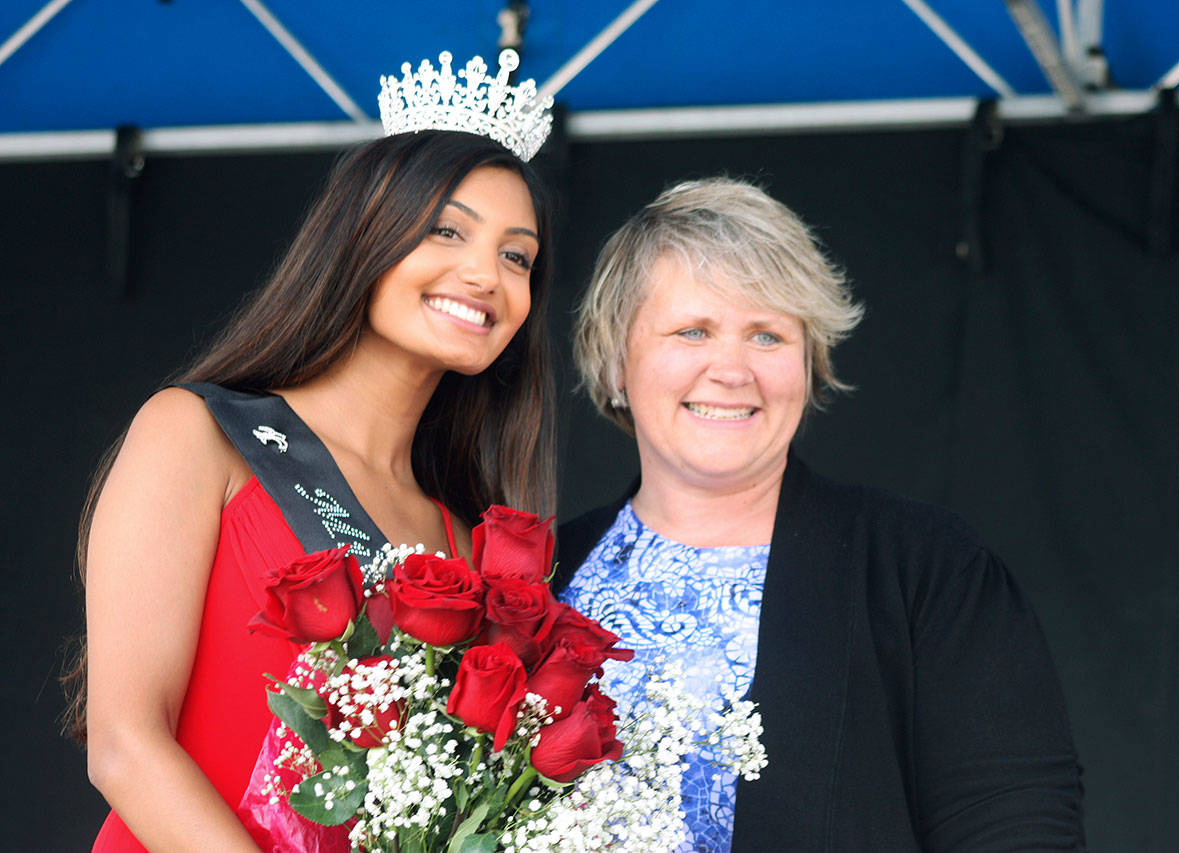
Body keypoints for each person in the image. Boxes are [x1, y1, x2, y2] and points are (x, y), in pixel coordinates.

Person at [65, 55, 559, 850]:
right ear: (365, 234)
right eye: (447, 230)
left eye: (517, 255)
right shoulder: (197, 435)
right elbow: (124, 743)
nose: (484, 274)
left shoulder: (466, 542)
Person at [555, 178, 1086, 851]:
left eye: (768, 335)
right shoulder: (539, 579)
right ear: (614, 362)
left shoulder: (929, 569)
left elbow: (1017, 824)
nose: (732, 368)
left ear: (809, 364)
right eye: (693, 330)